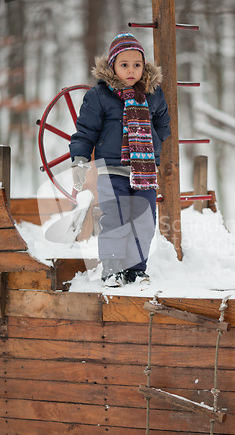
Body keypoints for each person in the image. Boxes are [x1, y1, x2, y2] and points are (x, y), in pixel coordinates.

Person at [70, 32, 170, 287]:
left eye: (137, 65)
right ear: (112, 65)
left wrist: (154, 140)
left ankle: (136, 270)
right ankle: (113, 269)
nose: (131, 70)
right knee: (115, 219)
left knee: (144, 220)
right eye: (124, 64)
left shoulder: (153, 94)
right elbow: (86, 130)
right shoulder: (100, 96)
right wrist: (80, 158)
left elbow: (162, 122)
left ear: (144, 66)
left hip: (145, 169)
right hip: (112, 169)